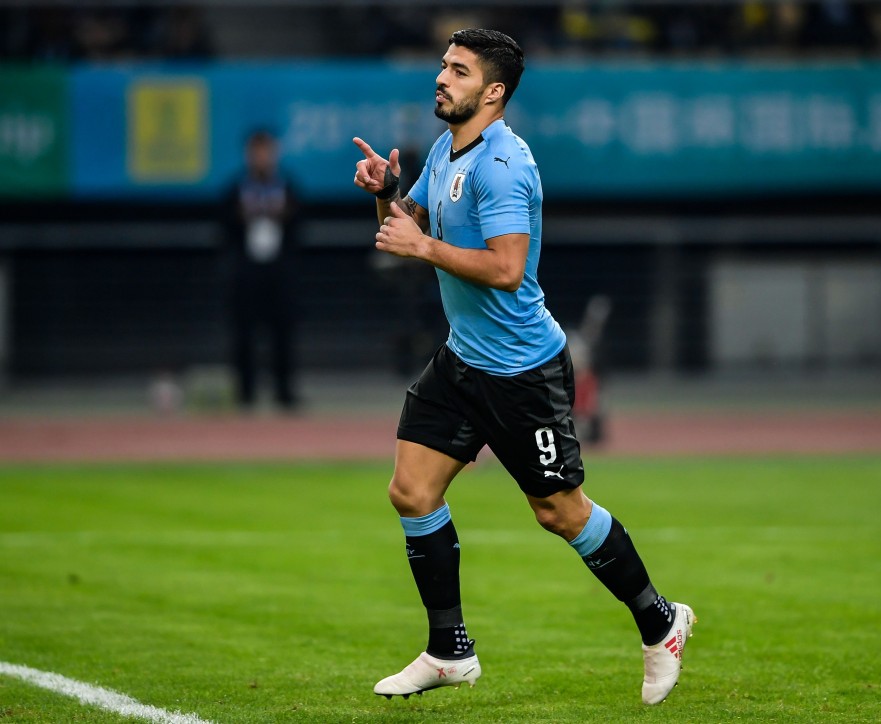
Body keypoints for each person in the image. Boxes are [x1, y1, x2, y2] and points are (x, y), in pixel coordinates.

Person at [352, 28, 695, 706]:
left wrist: (421, 246)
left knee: (559, 512)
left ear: (495, 90)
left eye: (458, 69)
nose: (442, 78)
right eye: (443, 66)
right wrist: (386, 191)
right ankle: (449, 650)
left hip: (522, 372)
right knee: (412, 492)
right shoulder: (447, 150)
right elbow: (408, 228)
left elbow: (508, 270)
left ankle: (661, 624)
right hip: (462, 361)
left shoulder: (503, 164)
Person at [222, 129, 300, 412]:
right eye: (257, 151)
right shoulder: (236, 188)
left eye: (267, 151)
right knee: (244, 332)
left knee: (283, 332)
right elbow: (224, 230)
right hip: (247, 272)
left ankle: (285, 390)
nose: (262, 157)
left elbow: (299, 227)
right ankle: (246, 392)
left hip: (279, 272)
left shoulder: (287, 186)